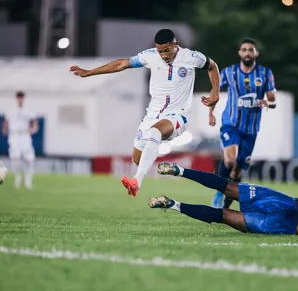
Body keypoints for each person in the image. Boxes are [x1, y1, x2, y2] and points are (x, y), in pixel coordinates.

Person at [70, 29, 220, 197]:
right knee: (138, 159)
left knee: (156, 131)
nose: (163, 55)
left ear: (175, 44)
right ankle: (173, 170)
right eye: (160, 51)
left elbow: (212, 66)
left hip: (177, 116)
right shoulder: (149, 56)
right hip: (152, 115)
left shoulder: (192, 57)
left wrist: (215, 92)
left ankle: (136, 181)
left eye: (166, 50)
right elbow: (121, 64)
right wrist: (89, 72)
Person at [149, 162, 298, 236]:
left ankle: (180, 171)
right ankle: (173, 205)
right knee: (224, 216)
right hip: (284, 227)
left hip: (285, 204)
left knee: (229, 188)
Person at [208, 38, 277, 209]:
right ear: (239, 53)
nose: (247, 52)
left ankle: (227, 204)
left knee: (237, 170)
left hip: (251, 128)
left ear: (256, 53)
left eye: (251, 50)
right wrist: (211, 113)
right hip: (230, 123)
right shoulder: (229, 72)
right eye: (244, 49)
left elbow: (273, 100)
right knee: (230, 160)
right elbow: (215, 91)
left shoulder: (265, 74)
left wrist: (268, 103)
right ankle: (219, 192)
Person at [2, 91, 38, 189]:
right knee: (15, 159)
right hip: (14, 136)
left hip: (25, 136)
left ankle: (28, 181)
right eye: (18, 97)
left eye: (21, 97)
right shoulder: (11, 111)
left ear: (23, 98)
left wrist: (33, 129)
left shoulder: (28, 111)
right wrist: (5, 130)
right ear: (16, 98)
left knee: (29, 158)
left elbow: (35, 124)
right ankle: (17, 179)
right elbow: (5, 123)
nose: (20, 99)